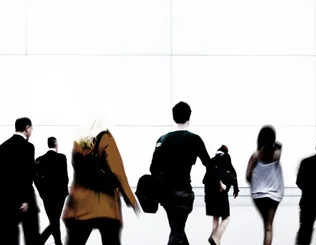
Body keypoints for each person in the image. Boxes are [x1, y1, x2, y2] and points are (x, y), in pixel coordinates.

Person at [63, 118, 139, 245]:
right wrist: (131, 199)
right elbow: (118, 171)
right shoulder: (106, 138)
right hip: (106, 207)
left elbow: (78, 171)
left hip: (80, 207)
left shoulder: (78, 143)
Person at [150, 101, 213, 245]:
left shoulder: (162, 140)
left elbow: (153, 168)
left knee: (177, 229)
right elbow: (208, 164)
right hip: (184, 193)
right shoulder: (194, 139)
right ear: (189, 118)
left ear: (174, 117)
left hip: (166, 195)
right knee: (177, 231)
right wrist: (220, 183)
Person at [0, 117, 40, 245]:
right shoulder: (28, 147)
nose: (32, 132)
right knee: (31, 236)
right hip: (25, 199)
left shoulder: (3, 146)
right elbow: (27, 175)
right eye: (31, 129)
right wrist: (25, 200)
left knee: (10, 236)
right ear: (27, 128)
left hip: (7, 201)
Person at [246, 125, 284, 245]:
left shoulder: (255, 156)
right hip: (274, 195)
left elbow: (247, 176)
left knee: (265, 223)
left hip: (258, 195)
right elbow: (279, 145)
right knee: (268, 227)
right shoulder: (277, 154)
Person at [35, 136, 69, 245]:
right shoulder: (62, 158)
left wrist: (42, 194)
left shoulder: (39, 160)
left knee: (54, 221)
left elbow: (36, 179)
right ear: (56, 144)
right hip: (59, 197)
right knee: (54, 221)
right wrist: (64, 193)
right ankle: (41, 241)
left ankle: (55, 242)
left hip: (47, 197)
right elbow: (65, 178)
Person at [204, 145, 240, 245]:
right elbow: (233, 172)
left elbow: (206, 179)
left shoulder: (212, 160)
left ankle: (215, 239)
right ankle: (215, 237)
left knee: (216, 216)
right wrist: (235, 188)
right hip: (220, 192)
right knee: (226, 217)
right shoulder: (226, 157)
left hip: (209, 194)